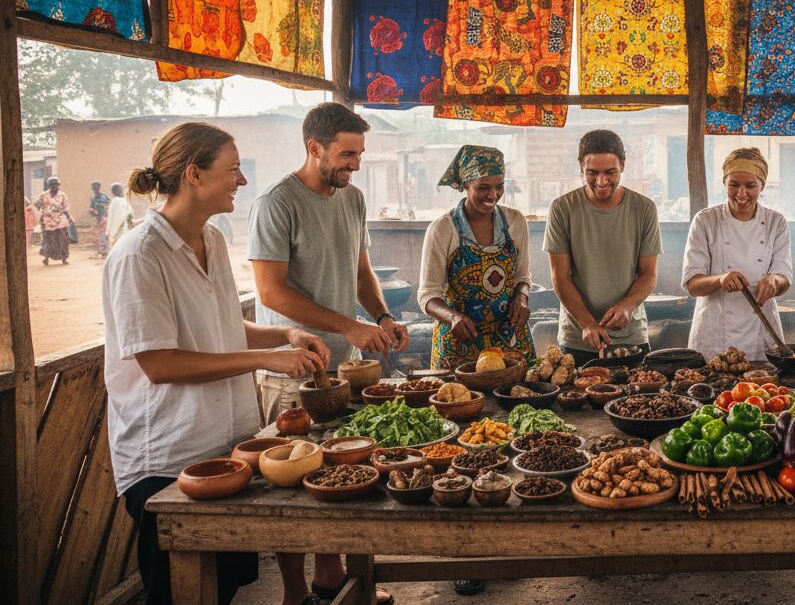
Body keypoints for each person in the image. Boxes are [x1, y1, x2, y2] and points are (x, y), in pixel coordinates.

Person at [102, 122, 330, 605]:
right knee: (180, 593)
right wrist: (268, 357)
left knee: (221, 587)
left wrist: (286, 334)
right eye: (233, 169)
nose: (241, 181)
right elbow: (160, 362)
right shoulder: (139, 256)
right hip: (167, 459)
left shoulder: (211, 241)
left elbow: (222, 328)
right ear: (193, 175)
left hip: (224, 449)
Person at [248, 103, 406, 605]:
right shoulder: (276, 203)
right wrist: (350, 326)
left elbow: (362, 272)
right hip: (293, 368)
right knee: (292, 486)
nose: (355, 164)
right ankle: (296, 595)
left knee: (342, 472)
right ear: (313, 147)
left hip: (347, 366)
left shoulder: (352, 198)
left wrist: (379, 317)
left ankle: (332, 577)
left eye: (359, 154)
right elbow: (271, 294)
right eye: (346, 154)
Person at [545, 130, 661, 357]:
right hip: (577, 338)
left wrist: (627, 307)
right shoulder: (562, 208)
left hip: (631, 336)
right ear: (581, 167)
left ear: (623, 166)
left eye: (610, 172)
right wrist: (587, 323)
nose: (601, 181)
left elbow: (649, 275)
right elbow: (560, 276)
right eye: (592, 173)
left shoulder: (644, 208)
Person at [418, 145, 534, 371]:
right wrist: (452, 317)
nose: (493, 195)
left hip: (509, 341)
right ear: (464, 185)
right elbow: (428, 296)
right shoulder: (443, 229)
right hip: (459, 345)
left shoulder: (516, 222)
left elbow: (522, 276)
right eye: (483, 188)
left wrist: (521, 297)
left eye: (499, 186)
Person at [682, 148, 793, 361]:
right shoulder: (705, 221)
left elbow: (784, 278)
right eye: (734, 185)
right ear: (725, 183)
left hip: (760, 330)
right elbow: (693, 285)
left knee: (763, 390)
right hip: (715, 333)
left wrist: (773, 280)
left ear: (762, 185)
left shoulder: (776, 223)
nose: (741, 194)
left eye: (750, 186)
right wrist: (721, 279)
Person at [34, 176, 71, 265]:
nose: (55, 186)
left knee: (62, 240)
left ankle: (64, 258)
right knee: (48, 240)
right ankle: (46, 258)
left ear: (58, 185)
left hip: (60, 221)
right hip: (48, 221)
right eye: (52, 184)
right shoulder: (43, 195)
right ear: (49, 185)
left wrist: (69, 218)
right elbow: (37, 205)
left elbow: (66, 208)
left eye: (56, 184)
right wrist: (41, 207)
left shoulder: (62, 195)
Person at [107, 183, 134, 250]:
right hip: (123, 229)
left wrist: (112, 232)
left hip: (118, 230)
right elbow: (129, 215)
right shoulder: (124, 201)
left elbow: (118, 218)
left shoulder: (116, 201)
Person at [89, 180, 111, 256]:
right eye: (93, 187)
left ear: (99, 187)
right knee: (99, 235)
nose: (95, 188)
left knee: (104, 235)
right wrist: (92, 211)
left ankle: (105, 251)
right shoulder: (93, 198)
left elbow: (110, 205)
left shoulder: (105, 196)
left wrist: (107, 214)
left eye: (96, 187)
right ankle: (103, 251)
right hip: (98, 219)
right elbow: (91, 207)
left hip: (105, 217)